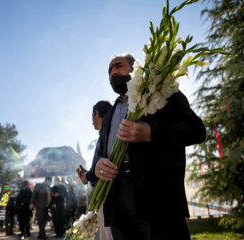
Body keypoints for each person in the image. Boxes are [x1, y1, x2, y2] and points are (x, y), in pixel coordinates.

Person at [90, 53, 206, 240]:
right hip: (117, 201)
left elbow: (197, 130)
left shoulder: (160, 91)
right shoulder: (109, 115)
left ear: (135, 68)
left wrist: (152, 132)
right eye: (109, 70)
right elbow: (99, 154)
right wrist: (97, 165)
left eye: (118, 66)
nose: (113, 73)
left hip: (158, 198)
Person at [77, 100, 113, 240]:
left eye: (92, 117)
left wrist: (89, 175)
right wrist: (89, 175)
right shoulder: (106, 132)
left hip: (109, 197)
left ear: (96, 114)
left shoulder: (109, 133)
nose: (92, 122)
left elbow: (107, 165)